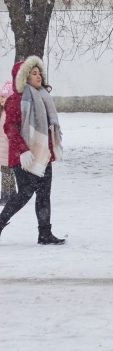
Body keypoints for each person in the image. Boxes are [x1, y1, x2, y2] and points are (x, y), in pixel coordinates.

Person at [0, 57, 64, 245]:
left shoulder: (43, 96)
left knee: (44, 194)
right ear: (24, 77)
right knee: (25, 193)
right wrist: (23, 150)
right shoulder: (16, 99)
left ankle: (44, 233)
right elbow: (9, 127)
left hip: (43, 154)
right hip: (24, 156)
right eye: (34, 73)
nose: (39, 77)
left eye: (39, 73)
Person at [0, 81, 16, 204]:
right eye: (0, 96)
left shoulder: (9, 113)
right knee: (7, 174)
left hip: (8, 150)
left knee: (7, 174)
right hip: (3, 150)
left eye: (4, 97)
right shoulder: (3, 112)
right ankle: (12, 193)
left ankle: (6, 195)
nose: (1, 99)